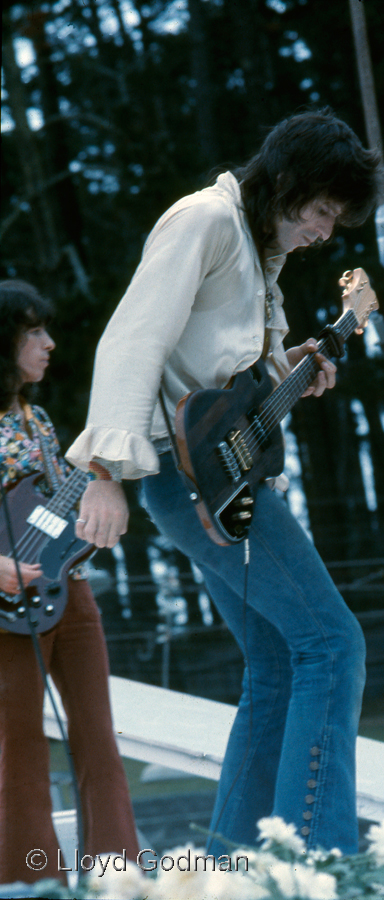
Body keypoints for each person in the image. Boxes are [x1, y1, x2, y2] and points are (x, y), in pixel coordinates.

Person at [66, 108, 381, 854]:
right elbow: (132, 337)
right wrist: (104, 472)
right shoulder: (205, 221)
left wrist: (289, 366)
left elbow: (214, 382)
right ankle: (316, 861)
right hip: (181, 484)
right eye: (320, 211)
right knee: (332, 646)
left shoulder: (257, 258)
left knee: (276, 661)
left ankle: (235, 867)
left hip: (217, 484)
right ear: (288, 184)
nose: (323, 233)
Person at [0, 280, 139, 887]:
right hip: (7, 608)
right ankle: (29, 883)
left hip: (71, 592)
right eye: (33, 331)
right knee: (20, 750)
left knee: (99, 741)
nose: (49, 343)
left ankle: (117, 876)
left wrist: (105, 485)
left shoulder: (40, 418)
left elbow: (59, 514)